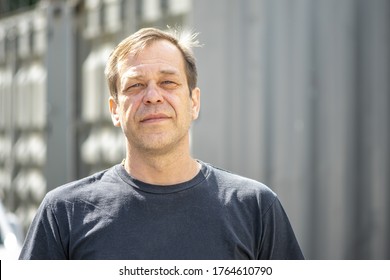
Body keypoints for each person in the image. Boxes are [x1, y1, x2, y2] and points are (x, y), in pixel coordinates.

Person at [19, 27, 304, 260]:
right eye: (135, 85)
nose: (153, 96)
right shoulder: (64, 213)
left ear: (194, 102)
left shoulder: (255, 208)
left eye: (168, 82)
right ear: (115, 110)